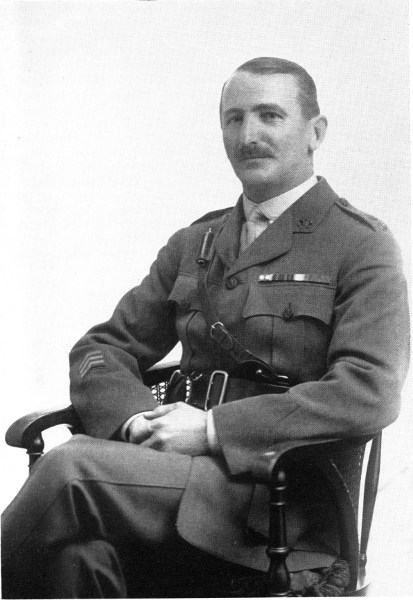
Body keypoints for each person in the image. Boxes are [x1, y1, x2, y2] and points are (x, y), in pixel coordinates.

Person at [2, 57, 409, 598]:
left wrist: (212, 430)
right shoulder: (196, 243)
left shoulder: (360, 245)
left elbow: (368, 391)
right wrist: (135, 422)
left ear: (316, 132)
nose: (248, 135)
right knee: (75, 557)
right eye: (233, 118)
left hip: (277, 502)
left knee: (70, 468)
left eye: (270, 115)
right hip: (169, 480)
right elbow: (102, 347)